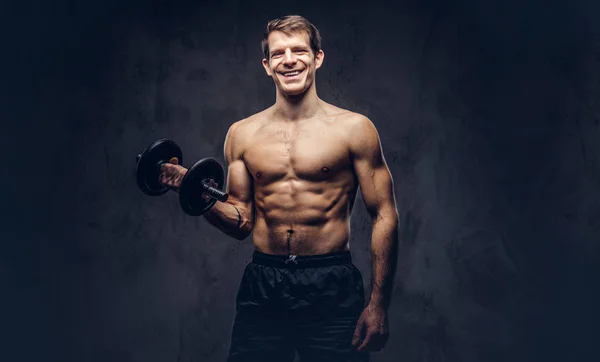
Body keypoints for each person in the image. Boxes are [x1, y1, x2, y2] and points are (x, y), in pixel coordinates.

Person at [160, 15, 399, 362]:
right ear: (267, 65)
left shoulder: (354, 130)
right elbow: (241, 221)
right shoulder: (242, 134)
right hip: (264, 283)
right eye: (278, 54)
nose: (289, 60)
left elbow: (384, 214)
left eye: (299, 50)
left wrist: (379, 304)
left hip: (330, 282)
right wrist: (188, 186)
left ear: (317, 58)